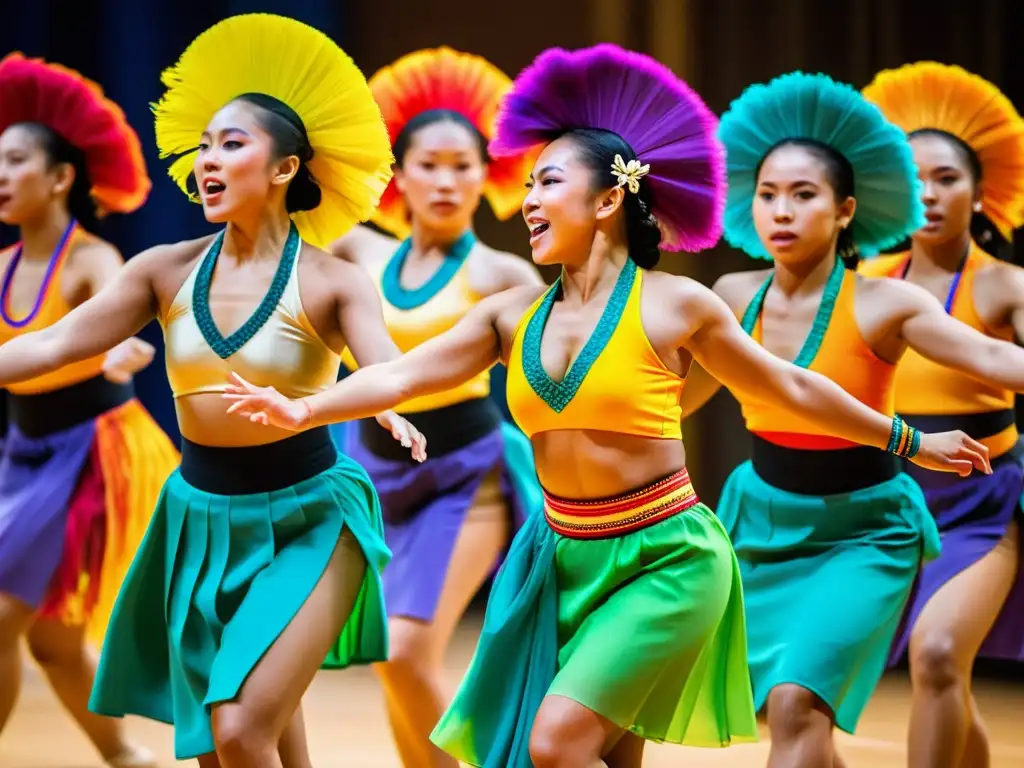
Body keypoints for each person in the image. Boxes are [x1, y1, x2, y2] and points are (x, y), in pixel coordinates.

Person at [223, 45, 992, 768]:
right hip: (558, 558)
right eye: (527, 184)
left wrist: (907, 439)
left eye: (548, 181)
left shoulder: (676, 305)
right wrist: (306, 409)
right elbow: (399, 377)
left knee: (555, 745)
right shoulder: (510, 313)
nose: (527, 200)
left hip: (666, 556)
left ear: (611, 195)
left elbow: (789, 385)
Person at [0, 15, 426, 768]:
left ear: (287, 169)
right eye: (203, 145)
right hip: (199, 522)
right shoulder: (163, 270)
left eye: (231, 144)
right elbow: (58, 343)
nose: (207, 160)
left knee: (238, 729)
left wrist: (385, 404)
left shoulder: (332, 279)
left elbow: (384, 366)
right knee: (224, 745)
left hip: (313, 520)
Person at [679, 71, 1024, 768]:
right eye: (769, 194)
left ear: (845, 212)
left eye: (803, 195)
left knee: (813, 701)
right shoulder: (730, 295)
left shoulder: (885, 304)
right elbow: (669, 401)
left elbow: (991, 356)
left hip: (868, 527)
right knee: (784, 711)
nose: (781, 210)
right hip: (762, 519)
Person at [328, 46, 543, 768]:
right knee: (391, 659)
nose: (447, 181)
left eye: (464, 165)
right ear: (399, 174)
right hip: (370, 472)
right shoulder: (357, 251)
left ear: (490, 175)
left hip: (465, 476)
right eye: (429, 163)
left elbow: (557, 370)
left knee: (407, 649)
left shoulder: (502, 272)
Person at [0, 52, 180, 768]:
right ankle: (123, 755)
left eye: (15, 160)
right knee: (49, 639)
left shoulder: (93, 260)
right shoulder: (3, 266)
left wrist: (121, 354)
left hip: (92, 452)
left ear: (61, 177)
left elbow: (123, 317)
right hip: (24, 452)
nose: (2, 175)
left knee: (3, 618)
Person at [858, 62, 1024, 768]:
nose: (928, 194)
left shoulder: (1005, 286)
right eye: (913, 179)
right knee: (942, 675)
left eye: (947, 178)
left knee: (936, 654)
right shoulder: (865, 284)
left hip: (982, 501)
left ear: (980, 192)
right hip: (890, 499)